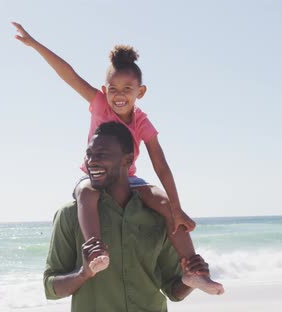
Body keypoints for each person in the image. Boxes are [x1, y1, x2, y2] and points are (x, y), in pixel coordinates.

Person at [12, 22, 223, 295]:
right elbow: (69, 75)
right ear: (105, 89)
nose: (119, 95)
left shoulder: (142, 121)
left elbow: (161, 164)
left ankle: (195, 273)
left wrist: (177, 208)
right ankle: (96, 253)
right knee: (86, 194)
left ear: (140, 92)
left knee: (163, 203)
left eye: (127, 89)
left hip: (128, 179)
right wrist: (34, 44)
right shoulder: (99, 103)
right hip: (95, 176)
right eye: (113, 88)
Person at [44, 121, 212, 311]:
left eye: (102, 155)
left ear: (128, 160)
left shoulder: (157, 216)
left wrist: (189, 280)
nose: (91, 161)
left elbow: (173, 290)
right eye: (89, 155)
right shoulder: (70, 215)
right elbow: (51, 287)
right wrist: (84, 273)